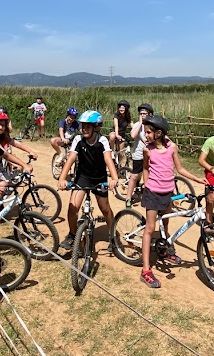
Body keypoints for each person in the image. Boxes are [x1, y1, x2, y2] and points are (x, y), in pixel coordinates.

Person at [139, 115, 206, 290]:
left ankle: (164, 249)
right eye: (145, 132)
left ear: (159, 133)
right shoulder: (148, 150)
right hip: (153, 193)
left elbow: (180, 169)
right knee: (150, 228)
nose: (146, 135)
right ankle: (146, 270)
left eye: (148, 132)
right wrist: (146, 185)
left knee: (165, 224)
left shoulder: (172, 148)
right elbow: (145, 168)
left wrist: (197, 179)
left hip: (168, 192)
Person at [57, 110, 118, 252]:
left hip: (99, 178)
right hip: (82, 177)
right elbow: (71, 158)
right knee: (73, 207)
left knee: (105, 209)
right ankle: (73, 235)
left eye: (87, 126)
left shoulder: (102, 141)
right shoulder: (78, 140)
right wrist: (62, 178)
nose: (84, 129)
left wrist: (114, 178)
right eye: (82, 126)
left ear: (96, 127)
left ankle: (112, 236)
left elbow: (108, 159)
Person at [0, 111, 37, 178]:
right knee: (5, 184)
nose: (1, 128)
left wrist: (30, 151)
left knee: (10, 181)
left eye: (3, 125)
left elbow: (14, 142)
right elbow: (4, 153)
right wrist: (24, 165)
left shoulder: (1, 135)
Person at [126, 102, 153, 207]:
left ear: (149, 114)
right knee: (135, 176)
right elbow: (133, 135)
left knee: (150, 175)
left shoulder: (152, 125)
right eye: (141, 113)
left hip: (150, 154)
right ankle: (128, 198)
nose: (142, 115)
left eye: (144, 113)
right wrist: (141, 123)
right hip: (139, 154)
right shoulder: (137, 125)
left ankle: (148, 195)